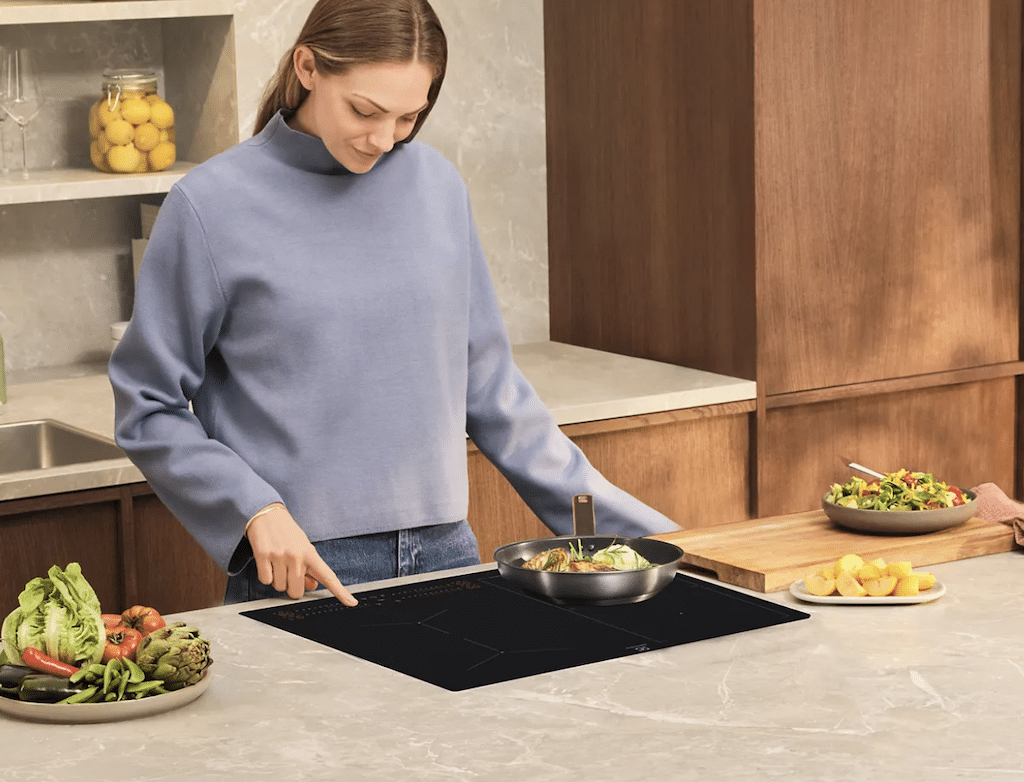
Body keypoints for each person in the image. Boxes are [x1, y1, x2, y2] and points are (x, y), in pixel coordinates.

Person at [108, 0, 678, 608]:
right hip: (307, 572)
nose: (383, 139)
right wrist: (252, 510)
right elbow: (147, 404)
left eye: (409, 117)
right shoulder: (209, 206)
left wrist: (647, 539)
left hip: (449, 556)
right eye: (364, 110)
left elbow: (490, 391)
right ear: (307, 67)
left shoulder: (437, 187)